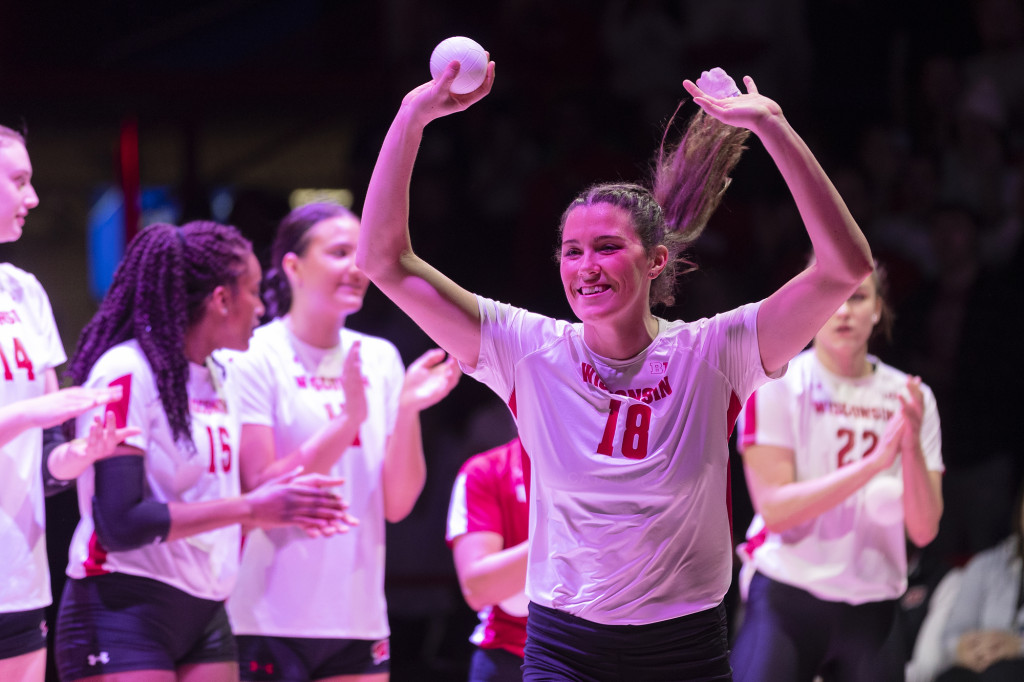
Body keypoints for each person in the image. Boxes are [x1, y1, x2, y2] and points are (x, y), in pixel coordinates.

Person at [355, 56, 875, 679]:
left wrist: (772, 127)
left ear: (656, 261)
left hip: (683, 648)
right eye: (572, 251)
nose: (586, 265)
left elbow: (845, 268)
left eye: (607, 247)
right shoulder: (528, 350)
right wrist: (413, 115)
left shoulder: (715, 353)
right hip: (565, 646)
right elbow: (384, 260)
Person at [54, 220, 354, 682]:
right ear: (221, 299)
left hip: (206, 607)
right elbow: (120, 523)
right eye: (253, 291)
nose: (261, 307)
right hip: (122, 606)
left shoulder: (223, 373)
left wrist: (294, 498)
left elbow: (236, 494)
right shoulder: (128, 370)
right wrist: (250, 507)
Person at [224, 201, 460, 682]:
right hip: (265, 614)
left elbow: (397, 504)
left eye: (362, 254)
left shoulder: (379, 358)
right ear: (293, 266)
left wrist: (407, 410)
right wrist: (350, 419)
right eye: (338, 252)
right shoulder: (254, 356)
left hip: (357, 616)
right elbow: (259, 488)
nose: (356, 267)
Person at [730, 263, 944, 681]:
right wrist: (875, 465)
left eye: (859, 297)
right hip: (788, 594)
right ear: (812, 305)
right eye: (833, 298)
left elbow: (923, 531)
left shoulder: (913, 397)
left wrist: (912, 446)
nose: (843, 311)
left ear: (879, 309)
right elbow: (775, 509)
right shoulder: (776, 383)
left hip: (873, 601)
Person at [0, 124, 140, 682]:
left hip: (17, 571)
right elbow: (37, 417)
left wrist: (81, 453)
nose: (33, 197)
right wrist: (33, 414)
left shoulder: (23, 292)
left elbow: (48, 457)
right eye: (19, 180)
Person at [446, 437, 530, 681]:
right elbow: (478, 589)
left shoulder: (622, 469)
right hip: (509, 657)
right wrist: (566, 527)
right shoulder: (486, 470)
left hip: (613, 651)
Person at [936, 478, 1024, 681]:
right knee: (951, 678)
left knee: (1002, 673)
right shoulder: (985, 565)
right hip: (981, 669)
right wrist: (964, 648)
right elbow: (951, 635)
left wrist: (1017, 646)